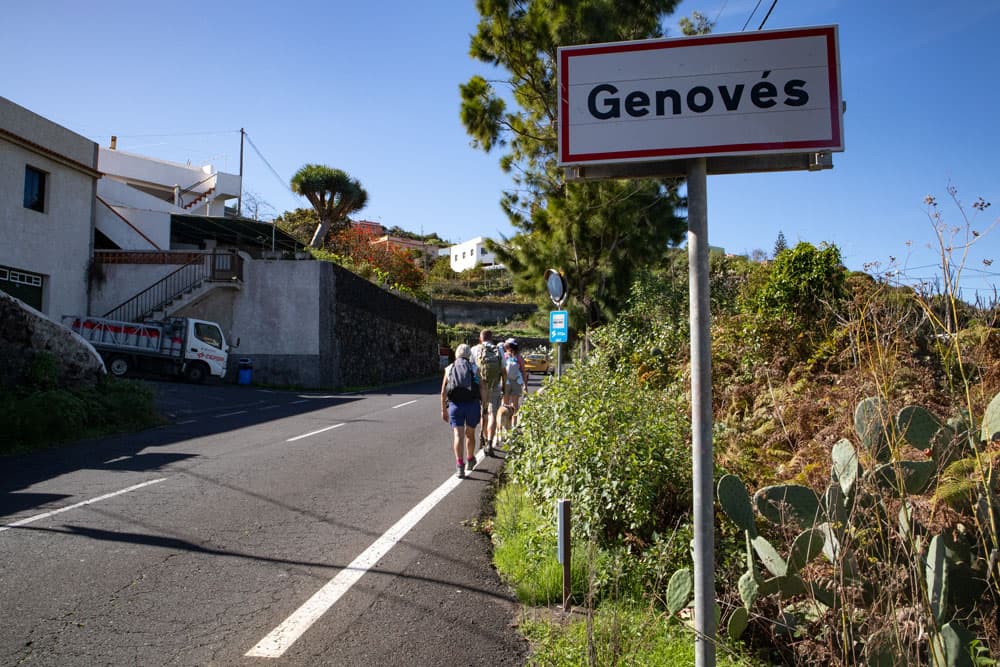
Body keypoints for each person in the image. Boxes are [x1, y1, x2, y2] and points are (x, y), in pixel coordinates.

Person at [441, 343, 481, 478]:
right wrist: (485, 405)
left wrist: (443, 410)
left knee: (458, 436)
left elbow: (443, 392)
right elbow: (482, 388)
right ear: (469, 354)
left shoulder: (449, 368)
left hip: (455, 405)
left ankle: (459, 466)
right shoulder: (474, 368)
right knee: (470, 434)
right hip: (472, 404)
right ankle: (470, 459)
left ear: (457, 354)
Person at [470, 329, 505, 456]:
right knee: (492, 415)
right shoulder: (498, 350)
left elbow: (470, 368)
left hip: (479, 386)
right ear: (491, 338)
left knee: (482, 413)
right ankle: (489, 443)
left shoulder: (474, 349)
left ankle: (482, 438)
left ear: (481, 338)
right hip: (494, 386)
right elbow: (503, 370)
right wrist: (504, 387)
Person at [502, 338, 528, 424]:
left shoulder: (504, 356)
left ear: (508, 346)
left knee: (505, 404)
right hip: (516, 382)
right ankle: (514, 424)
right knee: (515, 404)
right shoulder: (519, 357)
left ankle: (505, 423)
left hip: (505, 382)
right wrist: (525, 385)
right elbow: (523, 371)